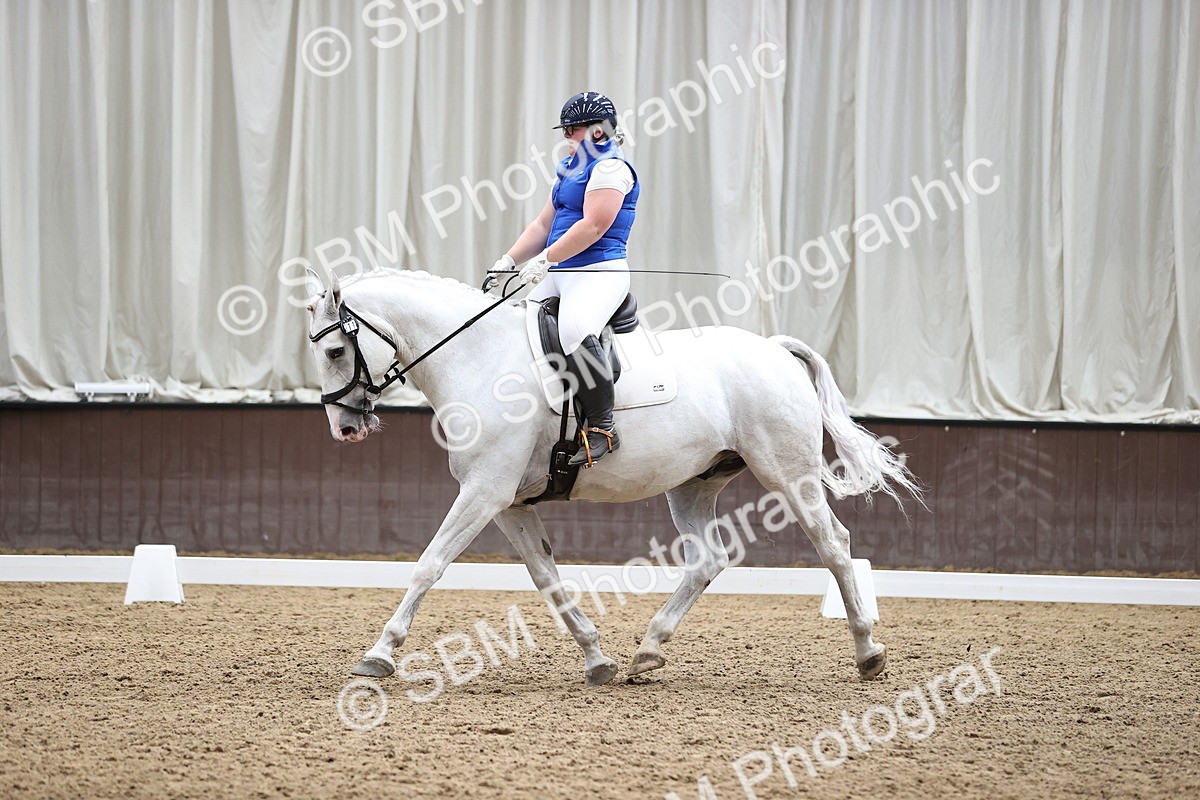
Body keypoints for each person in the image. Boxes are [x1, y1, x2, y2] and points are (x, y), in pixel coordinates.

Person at [489, 92, 639, 467]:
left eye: (573, 129)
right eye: (567, 129)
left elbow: (593, 226)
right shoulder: (571, 166)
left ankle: (604, 427)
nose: (568, 136)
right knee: (519, 328)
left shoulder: (611, 169)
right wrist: (508, 259)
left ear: (599, 131)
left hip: (598, 271)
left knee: (573, 330)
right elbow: (543, 223)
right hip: (558, 269)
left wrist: (545, 259)